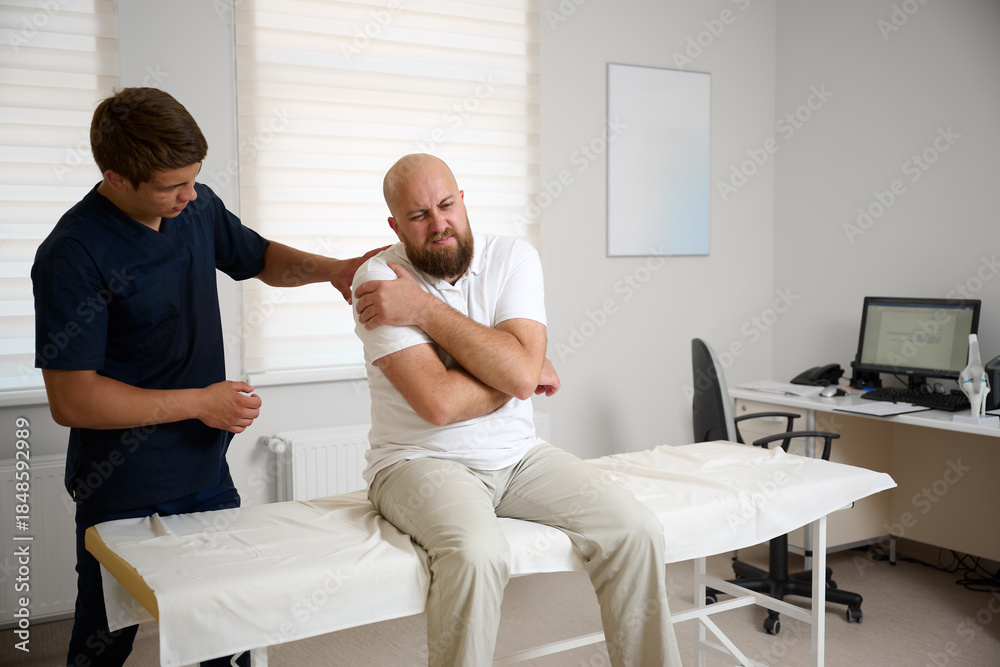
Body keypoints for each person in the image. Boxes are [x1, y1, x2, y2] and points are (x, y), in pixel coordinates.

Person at [31, 87, 380, 667]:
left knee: (228, 625)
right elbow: (73, 398)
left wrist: (333, 271)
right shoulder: (71, 255)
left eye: (194, 179)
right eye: (173, 186)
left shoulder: (196, 207)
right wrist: (201, 402)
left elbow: (260, 257)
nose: (190, 196)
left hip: (204, 469)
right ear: (116, 178)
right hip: (121, 483)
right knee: (105, 637)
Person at [351, 153, 682, 667]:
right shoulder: (378, 278)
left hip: (521, 457)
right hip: (418, 462)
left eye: (445, 206)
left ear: (463, 202)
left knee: (636, 529)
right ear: (395, 226)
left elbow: (517, 374)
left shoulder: (514, 258)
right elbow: (437, 404)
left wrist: (422, 310)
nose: (438, 225)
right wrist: (519, 371)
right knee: (480, 555)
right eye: (418, 217)